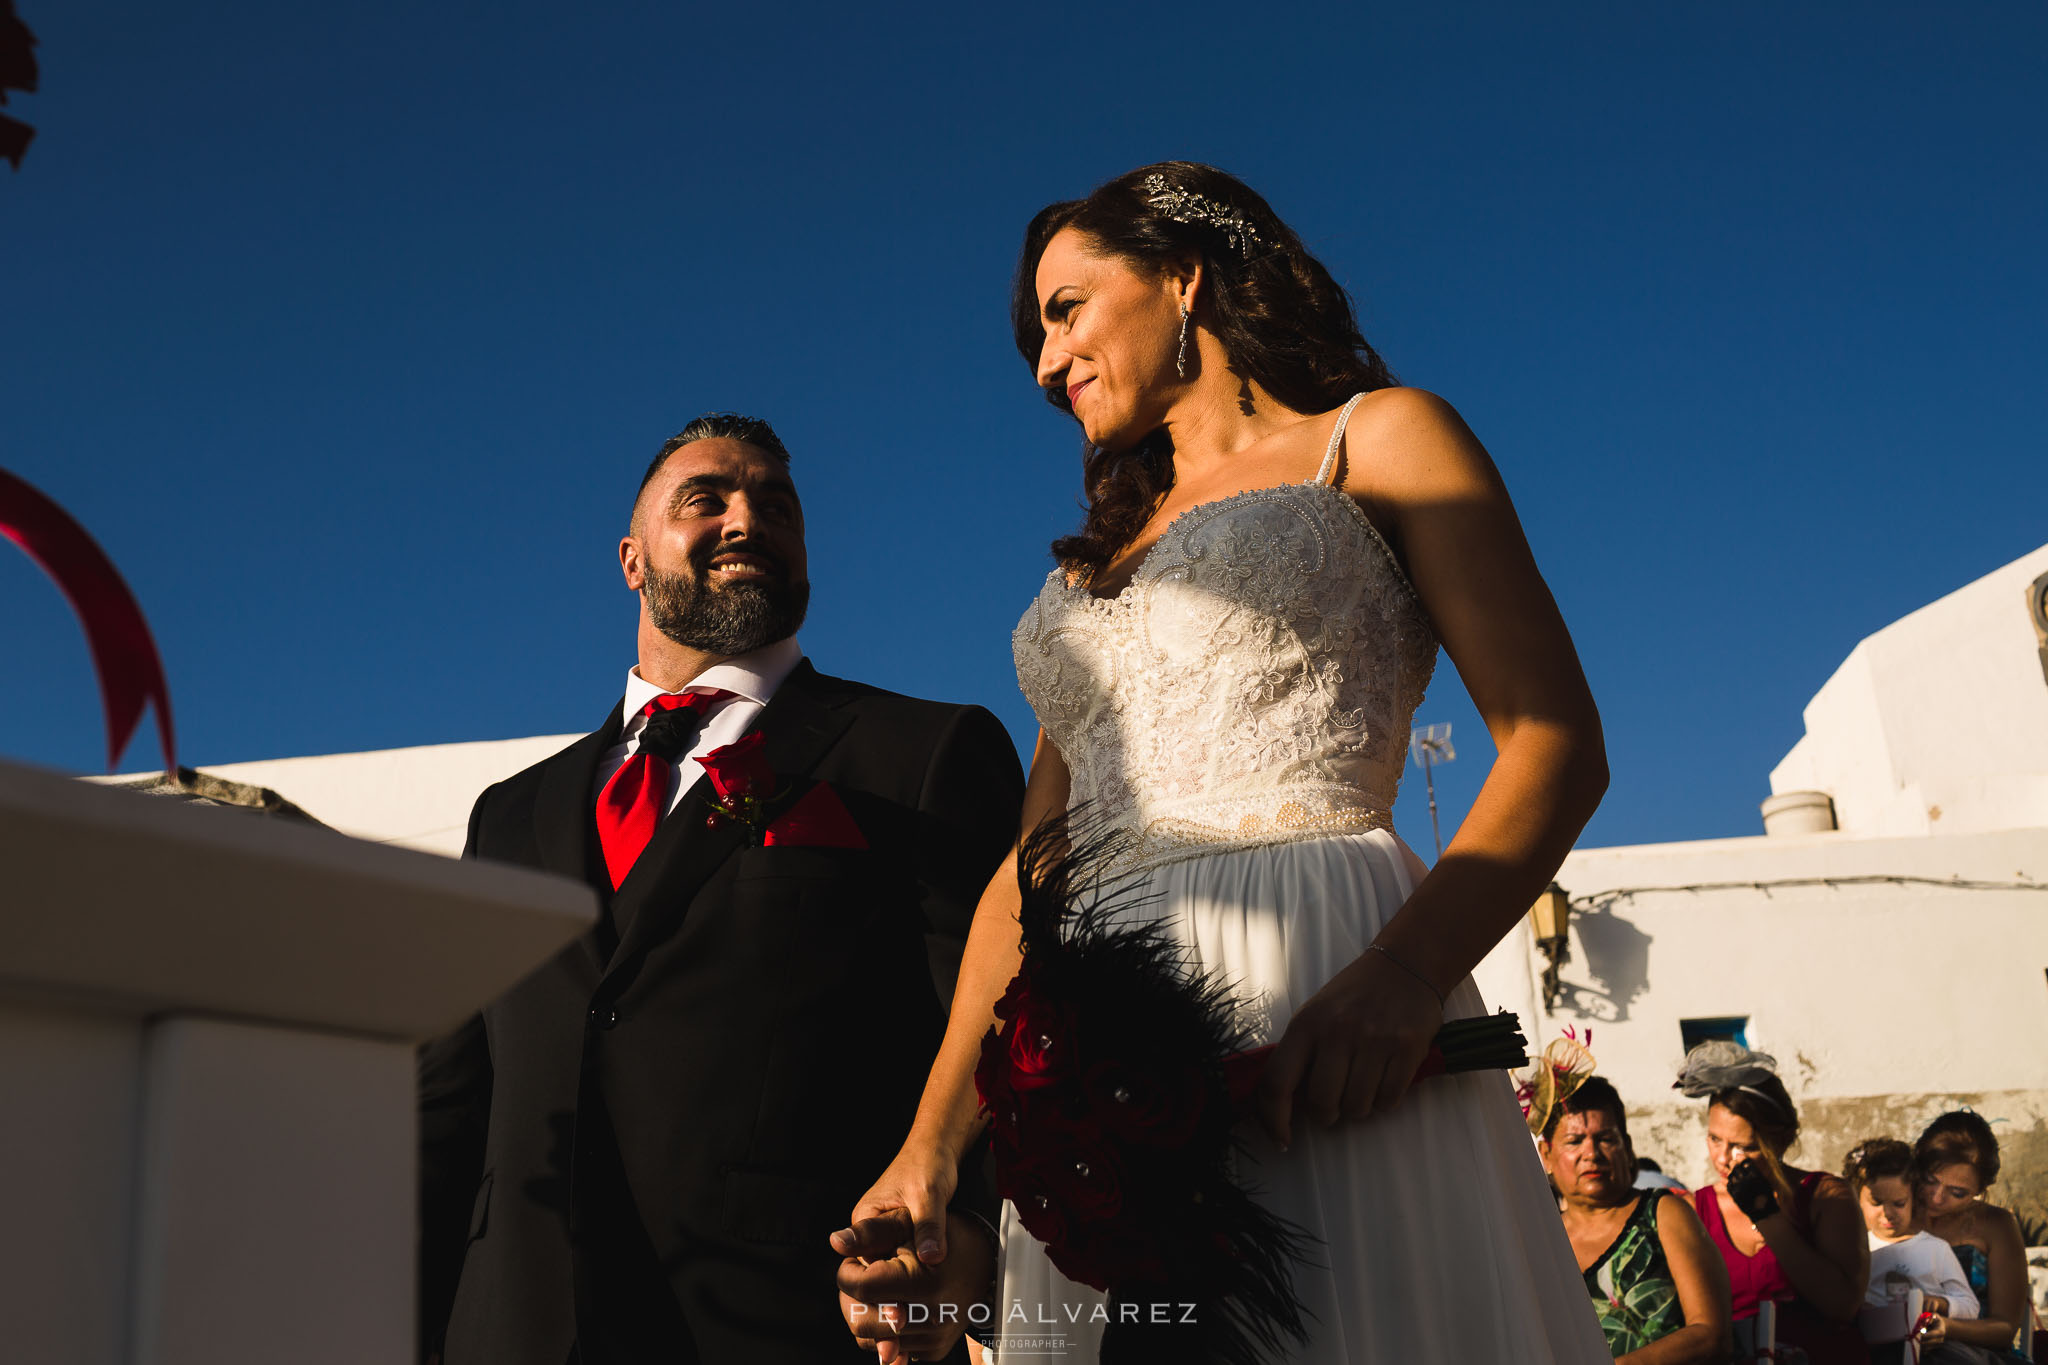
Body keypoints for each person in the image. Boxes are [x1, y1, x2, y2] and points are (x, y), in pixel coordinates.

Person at [838, 161, 1613, 1361]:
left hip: (1320, 988)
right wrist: (931, 1146)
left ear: (1184, 278)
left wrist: (1402, 978)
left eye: (1065, 309)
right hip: (1089, 1058)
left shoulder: (1380, 437)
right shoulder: (1087, 570)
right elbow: (1030, 874)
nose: (1045, 367)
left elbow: (1554, 741)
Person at [416, 413, 1023, 1365]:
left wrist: (977, 1241)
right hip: (511, 1330)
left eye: (777, 506)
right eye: (708, 500)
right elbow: (446, 1109)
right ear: (631, 558)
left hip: (798, 1322)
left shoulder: (922, 754)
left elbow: (999, 1026)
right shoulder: (508, 814)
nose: (749, 520)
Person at [1674, 1041, 1868, 1365]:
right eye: (1714, 1139)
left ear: (1781, 1140)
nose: (1723, 1158)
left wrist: (1767, 1217)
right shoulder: (1697, 1209)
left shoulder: (1825, 1196)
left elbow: (1842, 1305)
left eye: (1743, 1146)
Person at [1539, 1075, 1731, 1362]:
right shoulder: (1540, 1240)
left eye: (1605, 1139)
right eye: (1574, 1141)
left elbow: (1710, 1334)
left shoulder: (1663, 1213)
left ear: (1627, 1147)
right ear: (1547, 1155)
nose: (1591, 1153)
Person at [1845, 1136, 1983, 1363]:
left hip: (1931, 1350)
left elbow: (1970, 1305)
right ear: (1857, 1200)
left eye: (1899, 1203)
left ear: (1913, 1199)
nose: (1887, 1213)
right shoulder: (1854, 1249)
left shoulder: (1935, 1249)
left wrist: (1941, 1304)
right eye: (1877, 1202)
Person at [1914, 1111, 2032, 1361]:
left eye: (1957, 1192)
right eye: (1929, 1180)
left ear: (1980, 1189)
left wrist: (1947, 1327)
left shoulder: (1997, 1225)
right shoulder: (1894, 1211)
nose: (1936, 1198)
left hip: (1975, 1355)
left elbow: (2004, 1328)